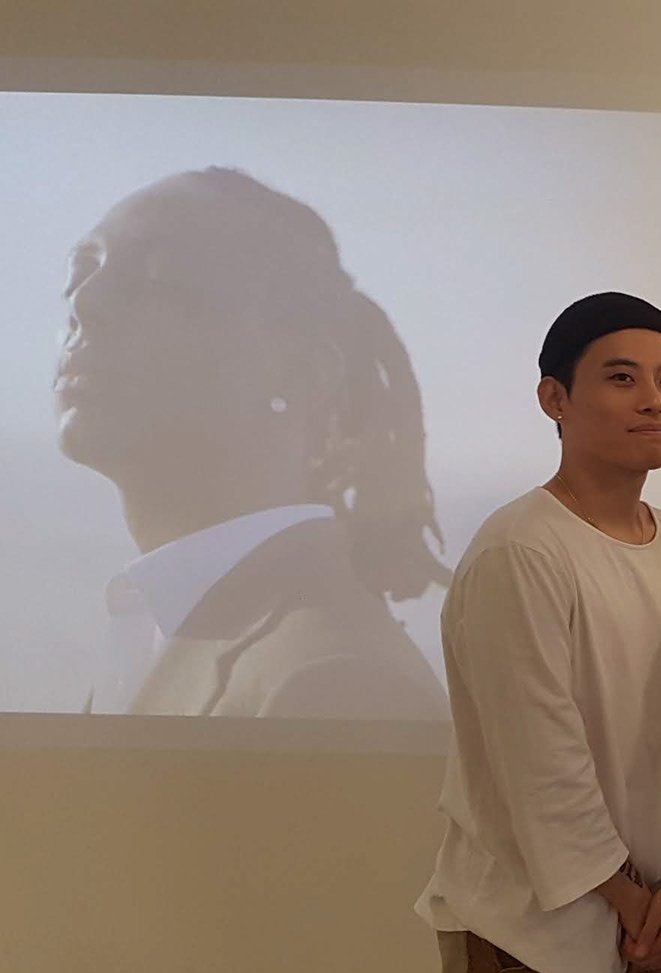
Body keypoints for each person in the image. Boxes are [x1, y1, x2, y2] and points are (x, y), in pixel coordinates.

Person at [415, 292, 661, 973]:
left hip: (642, 916)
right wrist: (631, 897)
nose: (654, 399)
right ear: (555, 398)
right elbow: (541, 762)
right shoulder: (520, 550)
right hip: (525, 927)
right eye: (622, 377)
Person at [54, 167, 446, 721]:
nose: (85, 301)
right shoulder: (165, 627)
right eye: (80, 273)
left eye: (160, 279)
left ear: (302, 376)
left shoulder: (333, 684)